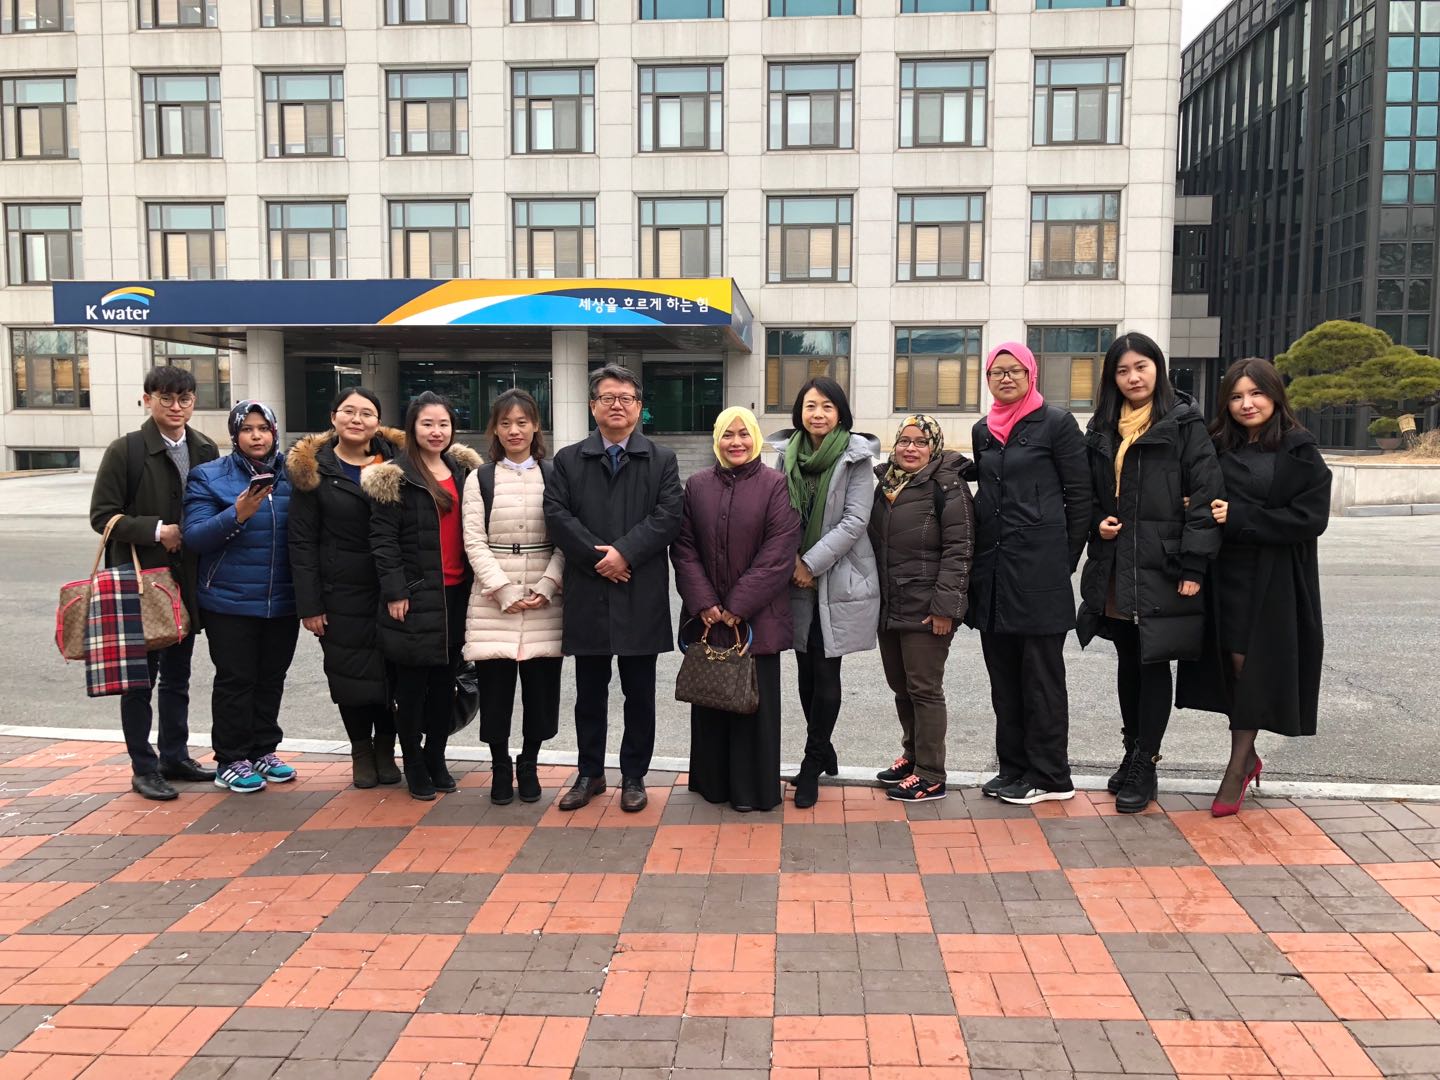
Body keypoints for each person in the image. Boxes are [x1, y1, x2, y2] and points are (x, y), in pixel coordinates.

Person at [1076, 332, 1224, 814]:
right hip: (1117, 562)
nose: (1133, 377)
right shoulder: (1102, 426)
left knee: (1152, 659)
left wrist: (1194, 563)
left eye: (1141, 366)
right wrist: (1097, 521)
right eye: (1122, 370)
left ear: (1158, 368)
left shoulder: (1183, 423)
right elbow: (1088, 491)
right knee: (1127, 656)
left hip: (1163, 562)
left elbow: (1205, 495)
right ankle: (1131, 749)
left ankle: (1148, 762)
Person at [1177, 358, 1331, 816]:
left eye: (1256, 393)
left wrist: (1241, 516)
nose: (1247, 404)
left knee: (1251, 665)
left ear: (1275, 395)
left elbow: (1310, 518)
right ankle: (1246, 757)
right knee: (1227, 665)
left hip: (1272, 577)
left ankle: (1238, 764)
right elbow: (1195, 490)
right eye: (1236, 396)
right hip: (1221, 572)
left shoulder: (1299, 449)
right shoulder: (1214, 444)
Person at [544, 364, 683, 813]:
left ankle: (634, 775)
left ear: (639, 407)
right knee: (589, 693)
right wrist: (599, 560)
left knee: (639, 693)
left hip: (639, 591)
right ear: (593, 406)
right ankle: (590, 773)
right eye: (608, 398)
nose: (617, 405)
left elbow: (668, 516)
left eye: (626, 398)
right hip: (589, 592)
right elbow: (557, 515)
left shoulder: (661, 460)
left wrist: (624, 553)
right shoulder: (568, 460)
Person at [967, 343, 1091, 806]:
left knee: (1041, 678)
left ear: (1031, 374)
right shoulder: (983, 429)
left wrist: (1065, 559)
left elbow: (1080, 496)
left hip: (1040, 571)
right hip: (994, 571)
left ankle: (1052, 775)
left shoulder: (1056, 423)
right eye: (996, 372)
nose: (1005, 378)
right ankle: (1014, 768)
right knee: (1004, 678)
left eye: (1014, 370)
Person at [88, 366, 220, 800]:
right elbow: (102, 516)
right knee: (139, 681)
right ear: (147, 400)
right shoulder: (126, 450)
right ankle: (143, 767)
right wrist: (157, 530)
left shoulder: (204, 447)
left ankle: (174, 756)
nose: (176, 407)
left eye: (184, 399)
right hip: (140, 582)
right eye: (166, 398)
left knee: (179, 677)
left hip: (186, 581)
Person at [671, 407, 801, 812]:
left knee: (753, 705)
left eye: (744, 434)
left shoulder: (776, 485)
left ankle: (751, 790)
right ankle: (712, 784)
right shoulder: (697, 485)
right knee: (710, 696)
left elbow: (779, 552)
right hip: (709, 617)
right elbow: (684, 547)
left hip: (757, 618)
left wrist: (738, 606)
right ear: (717, 440)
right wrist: (705, 603)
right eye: (728, 434)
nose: (736, 442)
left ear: (757, 437)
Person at [363, 392, 481, 801]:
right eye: (427, 423)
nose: (436, 431)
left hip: (457, 594)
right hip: (415, 597)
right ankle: (413, 762)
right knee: (411, 688)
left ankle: (436, 757)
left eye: (443, 424)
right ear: (412, 427)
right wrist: (395, 591)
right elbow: (383, 541)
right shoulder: (395, 475)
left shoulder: (463, 472)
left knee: (446, 683)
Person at [287, 387, 404, 789]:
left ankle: (386, 747)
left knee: (392, 672)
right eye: (348, 411)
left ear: (378, 422)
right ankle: (361, 751)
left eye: (366, 413)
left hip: (391, 587)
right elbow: (302, 541)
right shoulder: (315, 471)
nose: (357, 419)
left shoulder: (397, 462)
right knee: (348, 674)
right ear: (333, 417)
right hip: (338, 592)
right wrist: (310, 604)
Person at [183, 401, 299, 794]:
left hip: (282, 599)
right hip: (229, 601)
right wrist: (238, 513)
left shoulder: (293, 475)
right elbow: (195, 536)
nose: (256, 436)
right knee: (236, 680)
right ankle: (231, 758)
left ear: (274, 433)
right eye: (247, 429)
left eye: (263, 428)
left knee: (272, 678)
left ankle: (264, 749)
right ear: (235, 435)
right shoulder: (209, 476)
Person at [462, 388, 565, 806]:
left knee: (541, 694)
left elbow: (567, 538)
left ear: (536, 425)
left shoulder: (555, 476)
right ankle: (500, 765)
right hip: (493, 599)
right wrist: (502, 589)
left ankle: (530, 763)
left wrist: (548, 585)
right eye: (505, 423)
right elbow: (473, 541)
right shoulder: (480, 478)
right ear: (495, 429)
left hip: (545, 599)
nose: (514, 430)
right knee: (496, 693)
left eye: (522, 422)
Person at [782, 377, 880, 809]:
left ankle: (811, 762)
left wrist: (811, 563)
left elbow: (855, 521)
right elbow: (778, 515)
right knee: (804, 668)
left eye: (826, 406)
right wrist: (790, 561)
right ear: (799, 412)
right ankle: (823, 747)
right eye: (810, 406)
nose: (817, 414)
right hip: (794, 577)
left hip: (836, 575)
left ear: (840, 413)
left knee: (826, 670)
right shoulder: (787, 455)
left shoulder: (855, 457)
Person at [868, 415, 974, 802]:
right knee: (902, 688)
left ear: (935, 447)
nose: (910, 448)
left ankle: (931, 774)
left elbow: (960, 550)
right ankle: (912, 757)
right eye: (904, 441)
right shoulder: (885, 483)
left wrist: (946, 607)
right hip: (890, 604)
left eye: (920, 442)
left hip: (928, 609)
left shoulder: (948, 485)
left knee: (925, 690)